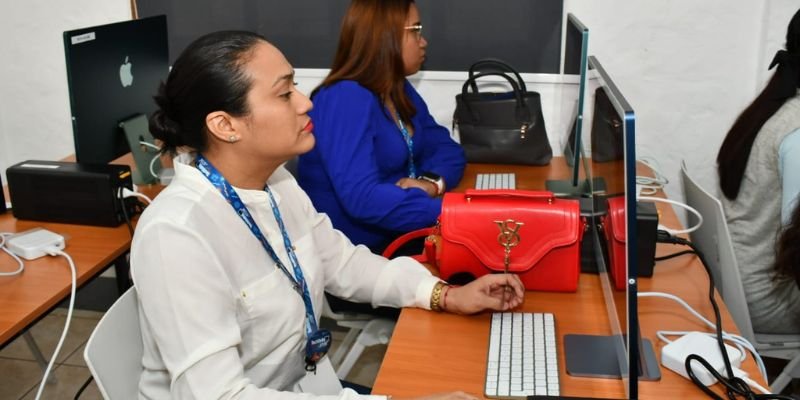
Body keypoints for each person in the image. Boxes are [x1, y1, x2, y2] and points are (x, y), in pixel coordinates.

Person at [131, 30, 524, 399]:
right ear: (225, 125)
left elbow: (344, 264)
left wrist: (445, 295)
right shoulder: (177, 235)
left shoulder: (276, 182)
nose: (305, 102)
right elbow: (221, 395)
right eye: (285, 93)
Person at [296, 0, 466, 254]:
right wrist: (457, 213)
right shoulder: (345, 97)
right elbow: (363, 200)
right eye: (416, 29)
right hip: (361, 255)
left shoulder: (395, 88)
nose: (423, 41)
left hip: (406, 231)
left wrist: (431, 184)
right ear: (385, 36)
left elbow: (448, 150)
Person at [716, 9, 800, 334]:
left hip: (740, 279)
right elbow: (795, 245)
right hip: (769, 300)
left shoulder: (774, 105)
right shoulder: (795, 132)